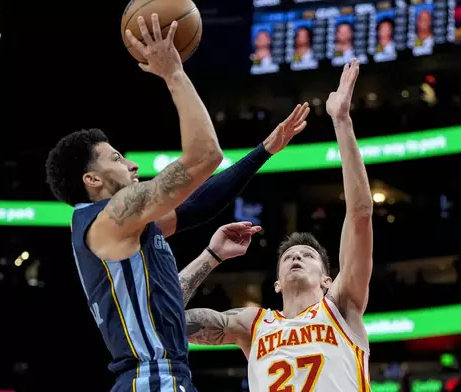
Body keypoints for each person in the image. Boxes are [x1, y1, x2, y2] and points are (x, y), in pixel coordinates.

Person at [44, 13, 310, 392]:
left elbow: (195, 207)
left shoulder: (126, 228)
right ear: (92, 180)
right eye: (117, 158)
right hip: (153, 379)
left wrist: (263, 152)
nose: (132, 164)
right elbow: (204, 156)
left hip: (159, 379)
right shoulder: (109, 217)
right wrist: (173, 73)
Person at [183, 60, 374, 392]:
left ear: (328, 281)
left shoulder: (341, 306)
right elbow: (160, 318)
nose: (296, 258)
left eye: (307, 256)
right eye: (288, 257)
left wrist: (341, 120)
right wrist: (211, 256)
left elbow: (360, 214)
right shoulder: (252, 323)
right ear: (276, 285)